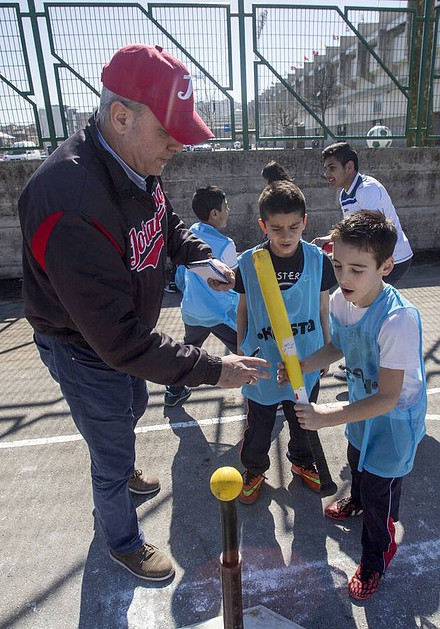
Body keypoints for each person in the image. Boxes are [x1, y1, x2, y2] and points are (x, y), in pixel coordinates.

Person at [18, 44, 269, 582]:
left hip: (118, 336)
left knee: (131, 401)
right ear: (121, 116)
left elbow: (166, 224)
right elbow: (121, 344)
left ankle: (121, 465)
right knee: (109, 447)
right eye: (168, 132)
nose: (178, 146)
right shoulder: (69, 202)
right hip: (84, 347)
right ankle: (122, 540)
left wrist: (198, 258)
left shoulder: (131, 160)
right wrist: (214, 370)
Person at [290, 211, 426, 600]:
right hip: (363, 406)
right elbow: (339, 346)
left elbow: (387, 397)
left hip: (393, 415)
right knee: (356, 461)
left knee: (381, 483)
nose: (344, 277)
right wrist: (304, 364)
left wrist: (325, 415)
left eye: (357, 269)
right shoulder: (340, 300)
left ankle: (375, 556)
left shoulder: (398, 319)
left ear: (386, 266)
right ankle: (359, 499)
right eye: (337, 266)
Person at [234, 168, 336, 503]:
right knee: (260, 424)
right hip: (263, 359)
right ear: (263, 226)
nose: (286, 234)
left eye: (293, 227)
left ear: (305, 221)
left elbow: (323, 308)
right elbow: (244, 309)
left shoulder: (319, 260)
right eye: (276, 228)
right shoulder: (249, 262)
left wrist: (325, 347)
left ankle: (302, 462)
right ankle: (254, 468)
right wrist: (239, 349)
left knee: (303, 417)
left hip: (305, 357)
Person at [314, 141, 414, 381]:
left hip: (391, 259)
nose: (327, 174)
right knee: (361, 308)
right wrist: (329, 239)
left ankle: (374, 367)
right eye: (326, 169)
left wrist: (339, 258)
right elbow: (353, 231)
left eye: (331, 168)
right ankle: (363, 364)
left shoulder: (367, 190)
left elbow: (369, 236)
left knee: (368, 311)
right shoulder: (345, 193)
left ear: (349, 167)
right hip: (374, 259)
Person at [164, 185, 239, 407]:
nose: (228, 210)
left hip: (192, 310)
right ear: (215, 213)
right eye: (225, 206)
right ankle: (266, 390)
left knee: (190, 350)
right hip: (220, 314)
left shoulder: (190, 233)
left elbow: (181, 276)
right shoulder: (226, 245)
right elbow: (235, 282)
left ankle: (174, 391)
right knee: (247, 347)